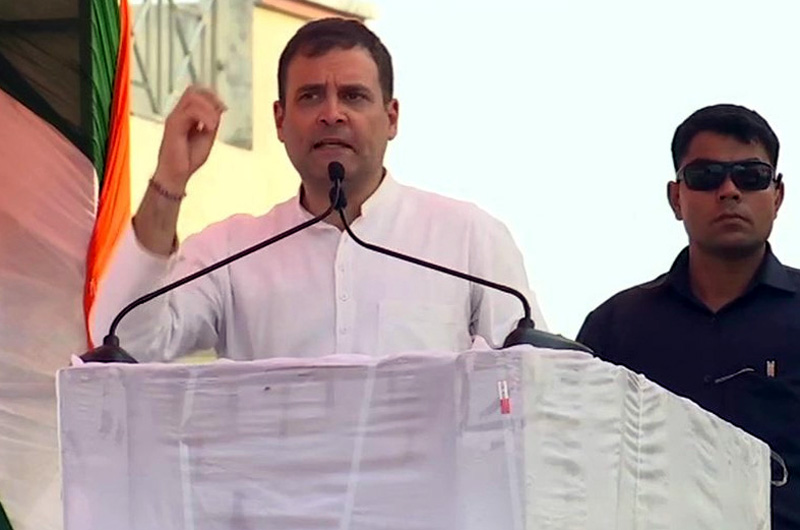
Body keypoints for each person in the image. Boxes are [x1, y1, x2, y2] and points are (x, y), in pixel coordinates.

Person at [91, 17, 543, 362]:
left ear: (392, 118)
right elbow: (124, 341)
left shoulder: (466, 239)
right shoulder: (233, 251)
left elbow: (537, 380)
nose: (332, 114)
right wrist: (169, 180)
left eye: (353, 96)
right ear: (280, 120)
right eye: (310, 97)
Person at [577, 104, 800, 529]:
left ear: (778, 195)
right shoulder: (615, 326)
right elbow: (581, 461)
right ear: (676, 197)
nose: (729, 191)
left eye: (751, 175)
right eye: (706, 175)